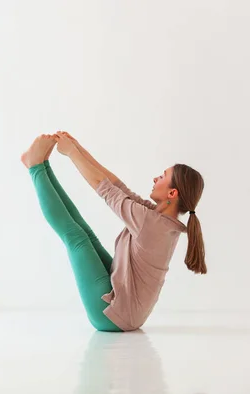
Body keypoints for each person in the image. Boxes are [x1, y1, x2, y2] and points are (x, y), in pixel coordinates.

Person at [21, 131, 206, 332]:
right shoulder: (159, 220)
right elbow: (116, 185)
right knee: (86, 236)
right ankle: (43, 166)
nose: (155, 178)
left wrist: (73, 153)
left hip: (112, 315)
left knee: (77, 238)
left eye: (162, 176)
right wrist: (78, 148)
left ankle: (35, 168)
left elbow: (104, 188)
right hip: (126, 310)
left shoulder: (151, 223)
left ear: (172, 193)